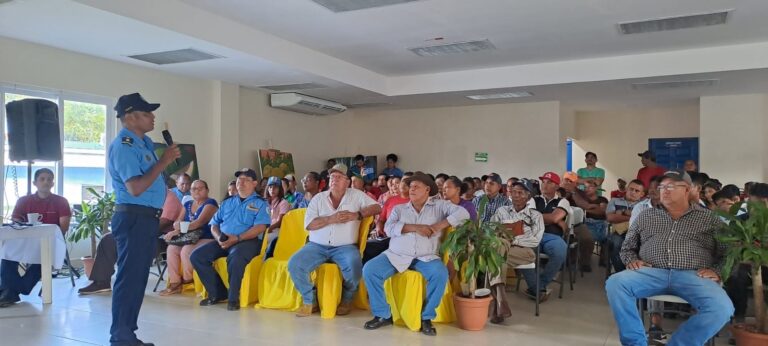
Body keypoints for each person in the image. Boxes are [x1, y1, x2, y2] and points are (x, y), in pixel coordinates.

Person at [606, 171, 733, 346]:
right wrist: (631, 259)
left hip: (694, 275)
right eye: (662, 187)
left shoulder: (709, 219)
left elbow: (728, 252)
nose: (664, 191)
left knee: (722, 308)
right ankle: (635, 343)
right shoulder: (646, 216)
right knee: (616, 283)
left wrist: (717, 271)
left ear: (687, 190)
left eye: (671, 186)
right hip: (651, 272)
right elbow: (627, 247)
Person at [105, 92, 180, 346]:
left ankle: (128, 333)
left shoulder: (143, 142)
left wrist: (163, 165)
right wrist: (164, 162)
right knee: (130, 277)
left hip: (146, 218)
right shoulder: (124, 146)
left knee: (138, 278)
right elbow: (135, 187)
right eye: (147, 113)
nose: (153, 117)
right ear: (130, 117)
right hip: (134, 217)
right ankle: (121, 336)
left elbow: (151, 177)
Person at [362, 172, 469, 336]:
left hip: (425, 256)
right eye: (410, 186)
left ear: (427, 189)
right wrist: (414, 227)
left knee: (440, 274)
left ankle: (426, 317)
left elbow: (464, 213)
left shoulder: (440, 206)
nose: (411, 189)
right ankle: (383, 314)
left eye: (416, 186)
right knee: (370, 269)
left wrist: (440, 225)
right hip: (396, 254)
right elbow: (389, 229)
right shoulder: (399, 209)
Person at [288, 163, 381, 317]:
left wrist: (357, 215)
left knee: (354, 266)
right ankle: (310, 299)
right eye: (332, 177)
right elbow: (309, 225)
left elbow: (377, 208)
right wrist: (331, 219)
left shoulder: (356, 195)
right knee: (295, 264)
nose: (334, 180)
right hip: (316, 246)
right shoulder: (318, 198)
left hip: (345, 247)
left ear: (347, 182)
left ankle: (347, 298)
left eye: (339, 177)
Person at [190, 168, 270, 311]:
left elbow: (261, 227)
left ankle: (233, 298)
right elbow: (214, 224)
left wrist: (238, 238)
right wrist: (219, 238)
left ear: (255, 183)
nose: (241, 182)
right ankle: (218, 293)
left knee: (235, 258)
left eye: (246, 180)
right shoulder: (227, 202)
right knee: (197, 256)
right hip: (223, 239)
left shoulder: (260, 203)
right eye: (239, 179)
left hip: (247, 241)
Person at [78, 189, 182, 295]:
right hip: (136, 233)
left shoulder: (169, 198)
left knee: (134, 244)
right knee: (108, 239)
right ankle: (101, 282)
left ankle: (131, 284)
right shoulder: (146, 195)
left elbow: (161, 224)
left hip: (159, 238)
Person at [1, 168, 71, 307]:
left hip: (49, 241)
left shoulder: (61, 201)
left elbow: (63, 227)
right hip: (24, 241)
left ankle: (11, 291)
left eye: (49, 179)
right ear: (35, 182)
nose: (46, 182)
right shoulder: (24, 201)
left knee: (43, 257)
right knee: (7, 253)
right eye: (42, 179)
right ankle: (9, 291)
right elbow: (16, 221)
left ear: (53, 183)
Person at [487, 180, 544, 323]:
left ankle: (498, 301)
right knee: (498, 256)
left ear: (528, 196)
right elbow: (492, 231)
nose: (516, 195)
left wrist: (513, 240)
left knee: (494, 256)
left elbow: (535, 241)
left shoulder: (536, 216)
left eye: (520, 193)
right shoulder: (502, 211)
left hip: (525, 252)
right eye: (513, 192)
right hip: (502, 250)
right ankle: (500, 306)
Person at [159, 180, 218, 296]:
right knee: (171, 248)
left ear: (207, 190)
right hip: (188, 237)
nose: (196, 191)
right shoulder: (188, 204)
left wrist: (178, 228)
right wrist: (176, 228)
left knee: (186, 250)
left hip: (207, 237)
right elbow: (178, 221)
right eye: (193, 189)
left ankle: (188, 280)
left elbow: (198, 223)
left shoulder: (210, 204)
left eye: (200, 188)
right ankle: (175, 283)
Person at [524, 172, 569, 301]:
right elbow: (531, 219)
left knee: (560, 250)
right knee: (523, 252)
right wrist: (556, 221)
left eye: (549, 182)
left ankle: (538, 285)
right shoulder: (534, 199)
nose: (544, 185)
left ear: (556, 186)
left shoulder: (563, 201)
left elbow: (554, 217)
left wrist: (554, 219)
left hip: (553, 236)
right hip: (533, 235)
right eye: (543, 182)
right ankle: (538, 288)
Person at [605, 179, 646, 273]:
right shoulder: (614, 201)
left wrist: (622, 213)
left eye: (637, 191)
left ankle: (636, 273)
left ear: (642, 194)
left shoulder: (643, 205)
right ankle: (621, 273)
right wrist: (632, 215)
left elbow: (644, 220)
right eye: (631, 189)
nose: (633, 192)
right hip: (618, 233)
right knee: (615, 244)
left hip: (638, 234)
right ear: (626, 189)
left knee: (646, 246)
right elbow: (610, 217)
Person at [264, 176, 291, 257]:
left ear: (280, 189)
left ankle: (265, 259)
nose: (272, 189)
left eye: (275, 187)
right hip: (265, 229)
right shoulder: (264, 202)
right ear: (267, 189)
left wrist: (268, 229)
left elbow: (280, 222)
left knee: (264, 240)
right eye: (270, 187)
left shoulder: (283, 202)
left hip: (277, 230)